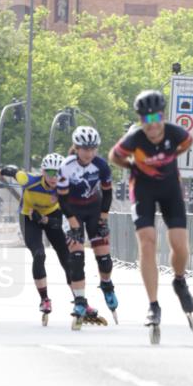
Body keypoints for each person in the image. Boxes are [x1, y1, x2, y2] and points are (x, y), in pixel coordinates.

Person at [109, 90, 193, 329]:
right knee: (147, 242)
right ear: (140, 121)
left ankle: (179, 281)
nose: (152, 125)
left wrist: (167, 160)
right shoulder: (134, 139)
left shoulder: (176, 134)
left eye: (156, 118)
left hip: (170, 191)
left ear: (163, 116)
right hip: (143, 190)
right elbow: (114, 155)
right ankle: (153, 304)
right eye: (146, 120)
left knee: (180, 245)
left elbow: (187, 143)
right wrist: (131, 166)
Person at [0, 153, 74, 319]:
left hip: (51, 216)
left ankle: (78, 298)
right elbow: (12, 171)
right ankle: (44, 299)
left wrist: (44, 219)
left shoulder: (65, 188)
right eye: (50, 172)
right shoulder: (29, 180)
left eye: (58, 173)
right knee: (39, 254)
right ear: (43, 171)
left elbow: (60, 222)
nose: (54, 177)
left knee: (66, 257)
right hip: (28, 218)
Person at [56, 126, 114, 326]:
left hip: (94, 210)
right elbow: (61, 198)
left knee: (104, 259)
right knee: (77, 257)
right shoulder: (66, 166)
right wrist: (71, 220)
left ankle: (106, 284)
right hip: (72, 210)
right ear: (76, 148)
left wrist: (103, 218)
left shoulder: (101, 165)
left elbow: (107, 193)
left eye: (92, 149)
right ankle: (80, 300)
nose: (89, 153)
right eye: (84, 149)